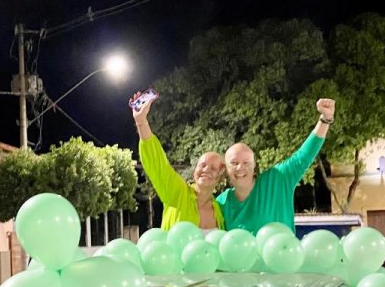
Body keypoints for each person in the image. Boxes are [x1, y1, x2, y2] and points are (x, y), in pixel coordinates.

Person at [217, 99, 336, 234]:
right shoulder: (221, 203)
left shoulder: (277, 180)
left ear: (254, 164)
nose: (240, 168)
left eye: (246, 162)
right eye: (234, 163)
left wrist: (325, 119)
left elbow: (303, 157)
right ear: (226, 168)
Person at [131, 92, 225, 232]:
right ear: (194, 172)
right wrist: (141, 122)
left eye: (212, 168)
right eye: (202, 165)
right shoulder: (179, 193)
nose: (205, 170)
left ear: (220, 176)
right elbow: (159, 165)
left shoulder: (219, 210)